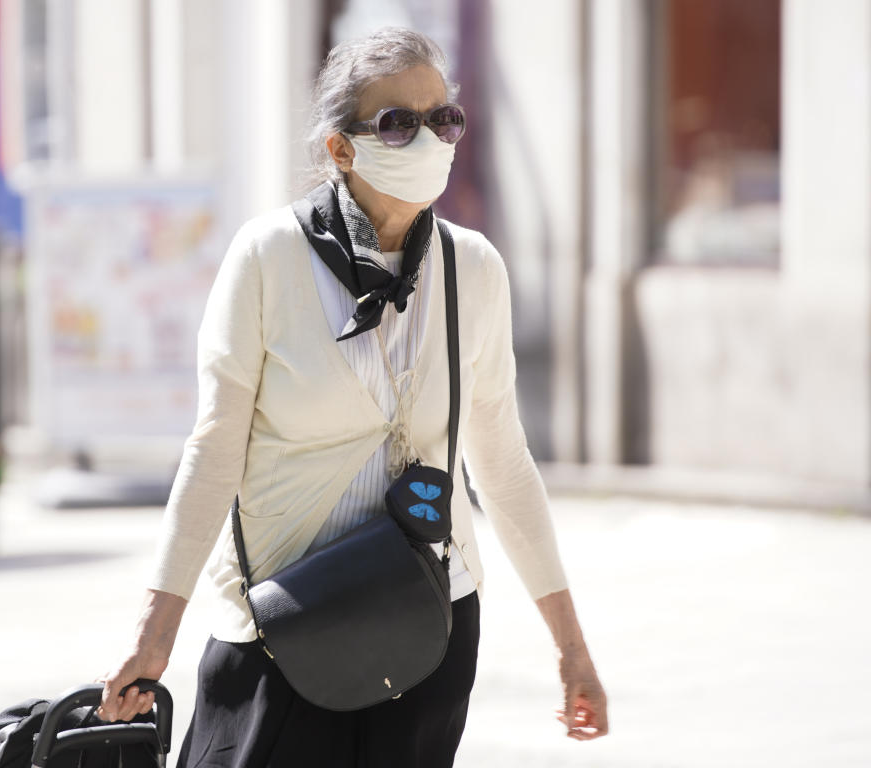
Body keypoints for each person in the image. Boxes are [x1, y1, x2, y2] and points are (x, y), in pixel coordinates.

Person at [99, 28, 608, 765]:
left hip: (427, 624)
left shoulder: (474, 269)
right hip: (281, 626)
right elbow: (213, 450)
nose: (429, 138)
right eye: (398, 123)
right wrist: (154, 634)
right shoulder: (268, 258)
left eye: (444, 119)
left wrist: (570, 647)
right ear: (340, 149)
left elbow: (502, 464)